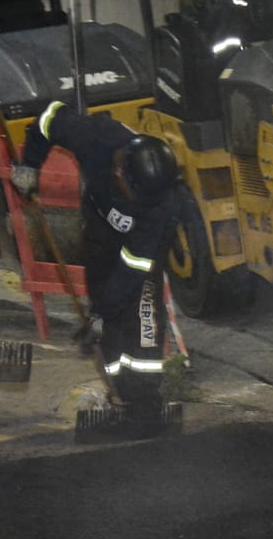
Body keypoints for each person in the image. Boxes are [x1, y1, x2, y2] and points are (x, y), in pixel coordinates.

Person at [14, 104, 182, 436]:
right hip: (100, 236)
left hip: (138, 250)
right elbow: (48, 116)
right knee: (105, 320)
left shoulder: (162, 204)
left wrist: (102, 312)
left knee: (141, 313)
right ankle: (120, 395)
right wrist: (32, 164)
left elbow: (135, 267)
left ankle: (145, 404)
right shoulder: (96, 138)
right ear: (119, 172)